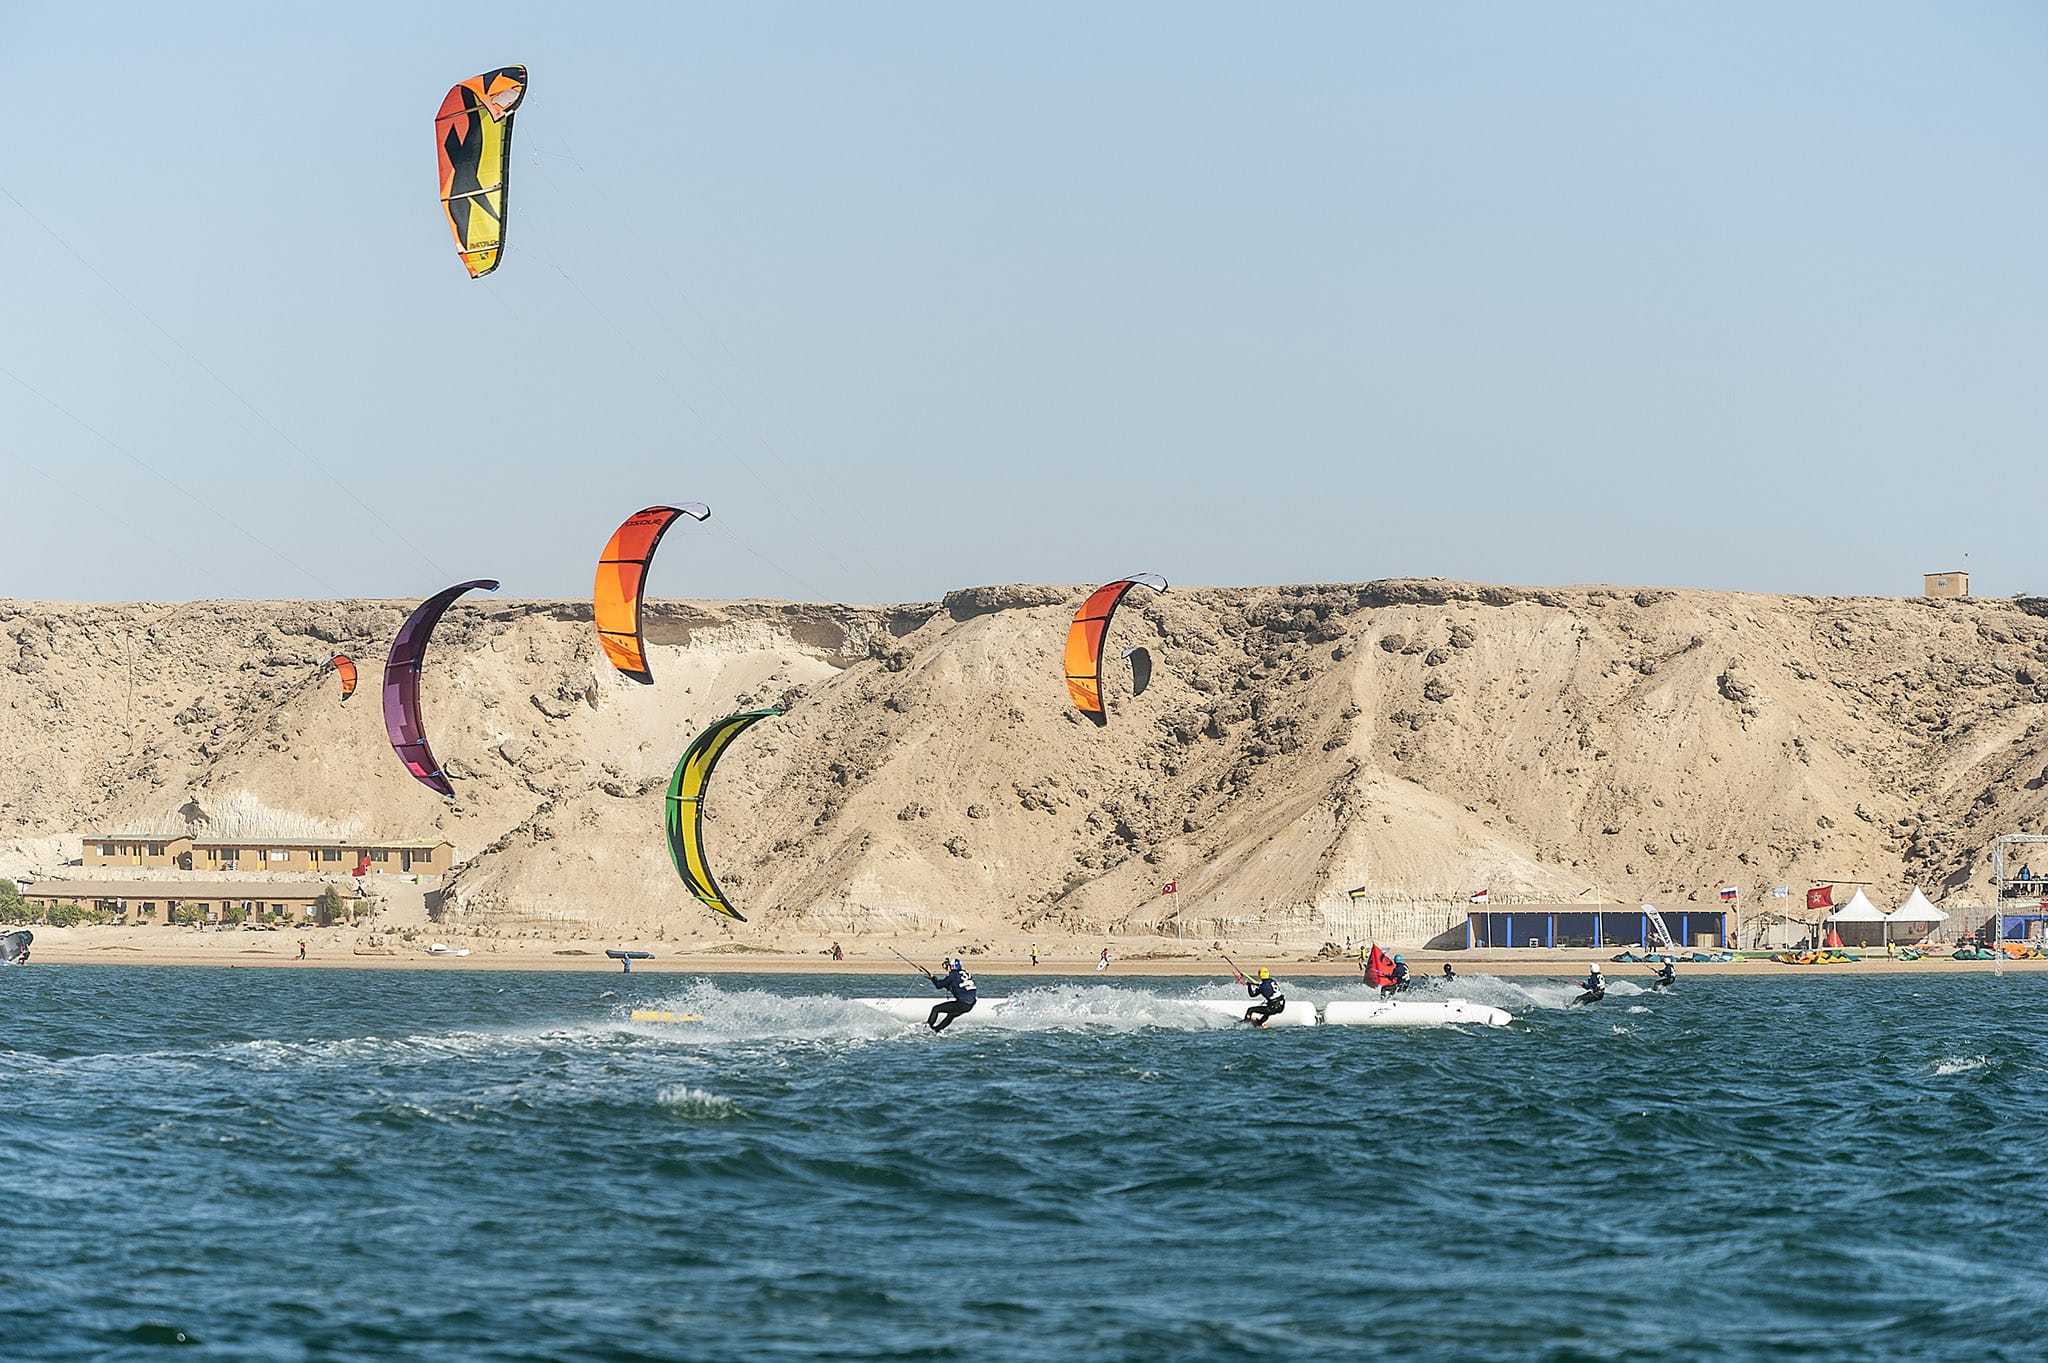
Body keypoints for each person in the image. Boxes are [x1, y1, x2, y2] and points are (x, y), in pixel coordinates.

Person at [927, 957, 978, 1033]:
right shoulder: (966, 973)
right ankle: (937, 1030)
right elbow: (957, 986)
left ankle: (928, 1026)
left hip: (962, 1003)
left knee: (936, 1009)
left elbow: (939, 985)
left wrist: (933, 978)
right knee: (951, 1015)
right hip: (970, 1005)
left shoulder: (953, 975)